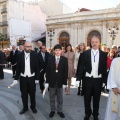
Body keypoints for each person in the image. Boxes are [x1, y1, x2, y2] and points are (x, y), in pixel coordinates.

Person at [76, 36, 107, 120]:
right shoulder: (85, 53)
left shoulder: (104, 54)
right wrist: (78, 79)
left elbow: (104, 68)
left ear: (99, 43)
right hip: (87, 79)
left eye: (96, 42)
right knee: (87, 98)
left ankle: (95, 114)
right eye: (93, 42)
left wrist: (105, 80)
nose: (94, 43)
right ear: (91, 43)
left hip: (98, 79)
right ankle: (87, 113)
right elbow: (81, 67)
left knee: (97, 98)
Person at [14, 41, 39, 114]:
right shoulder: (20, 55)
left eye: (30, 46)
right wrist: (16, 78)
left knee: (32, 93)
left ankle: (33, 107)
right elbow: (18, 68)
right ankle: (25, 108)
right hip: (23, 78)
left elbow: (37, 67)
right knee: (23, 94)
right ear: (24, 47)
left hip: (32, 78)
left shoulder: (35, 55)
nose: (29, 48)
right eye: (27, 46)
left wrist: (37, 78)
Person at [45, 44, 68, 118]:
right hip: (52, 81)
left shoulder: (64, 59)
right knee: (52, 97)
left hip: (60, 82)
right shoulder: (50, 59)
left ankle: (59, 111)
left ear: (61, 51)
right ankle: (52, 110)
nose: (57, 52)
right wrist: (47, 81)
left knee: (60, 98)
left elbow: (65, 72)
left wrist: (65, 83)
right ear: (54, 51)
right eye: (56, 50)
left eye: (59, 50)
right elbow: (47, 71)